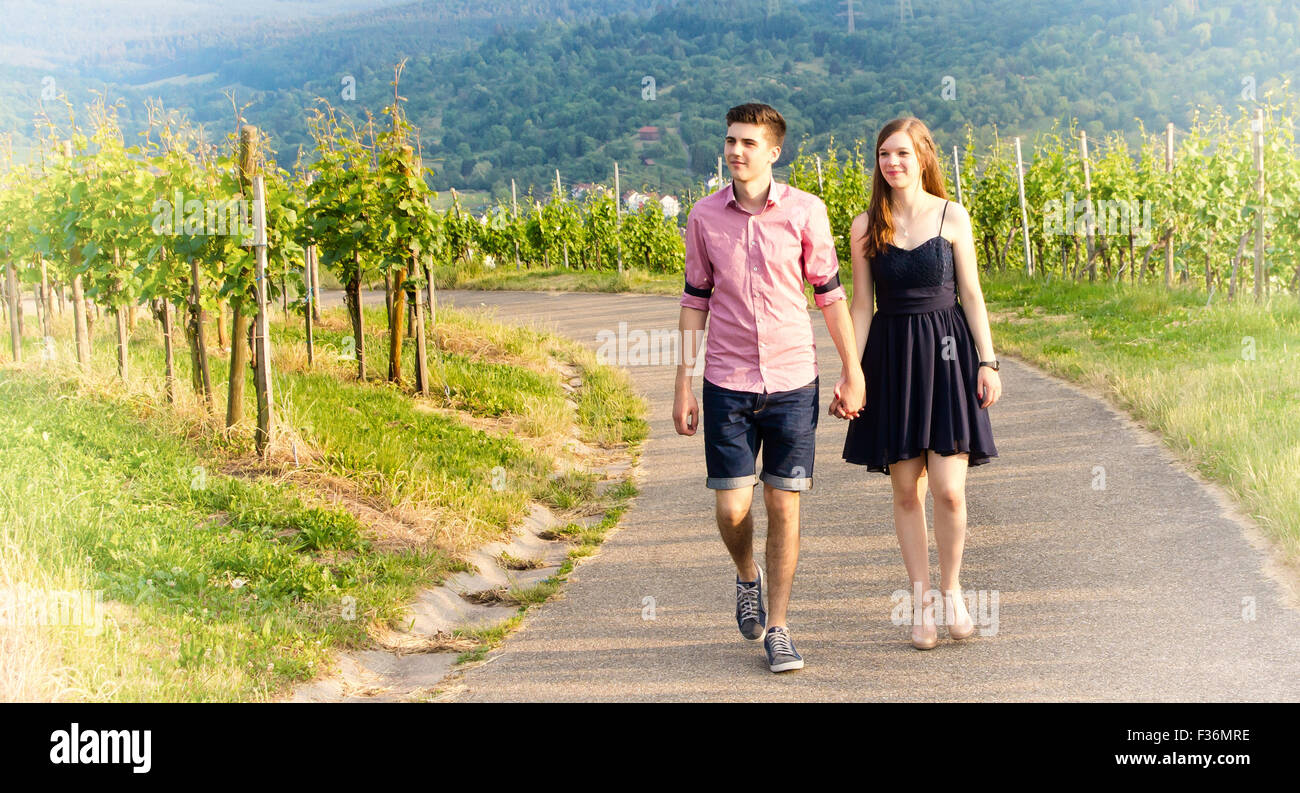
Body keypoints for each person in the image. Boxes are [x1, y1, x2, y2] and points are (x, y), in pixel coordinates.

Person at [673, 103, 865, 673]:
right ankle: (746, 575)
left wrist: (852, 371)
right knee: (733, 507)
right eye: (730, 140)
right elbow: (693, 303)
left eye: (748, 143)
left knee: (784, 504)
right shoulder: (704, 217)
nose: (736, 151)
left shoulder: (807, 211)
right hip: (726, 382)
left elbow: (830, 297)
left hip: (791, 380)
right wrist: (683, 385)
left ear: (773, 151)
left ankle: (778, 626)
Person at [833, 116, 1002, 650]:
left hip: (950, 355)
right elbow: (861, 306)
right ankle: (922, 601)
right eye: (885, 154)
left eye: (903, 153)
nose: (893, 163)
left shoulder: (953, 216)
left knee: (949, 492)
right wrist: (850, 371)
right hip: (893, 358)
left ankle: (952, 591)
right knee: (907, 490)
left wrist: (988, 361)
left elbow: (971, 295)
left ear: (923, 157)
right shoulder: (866, 226)